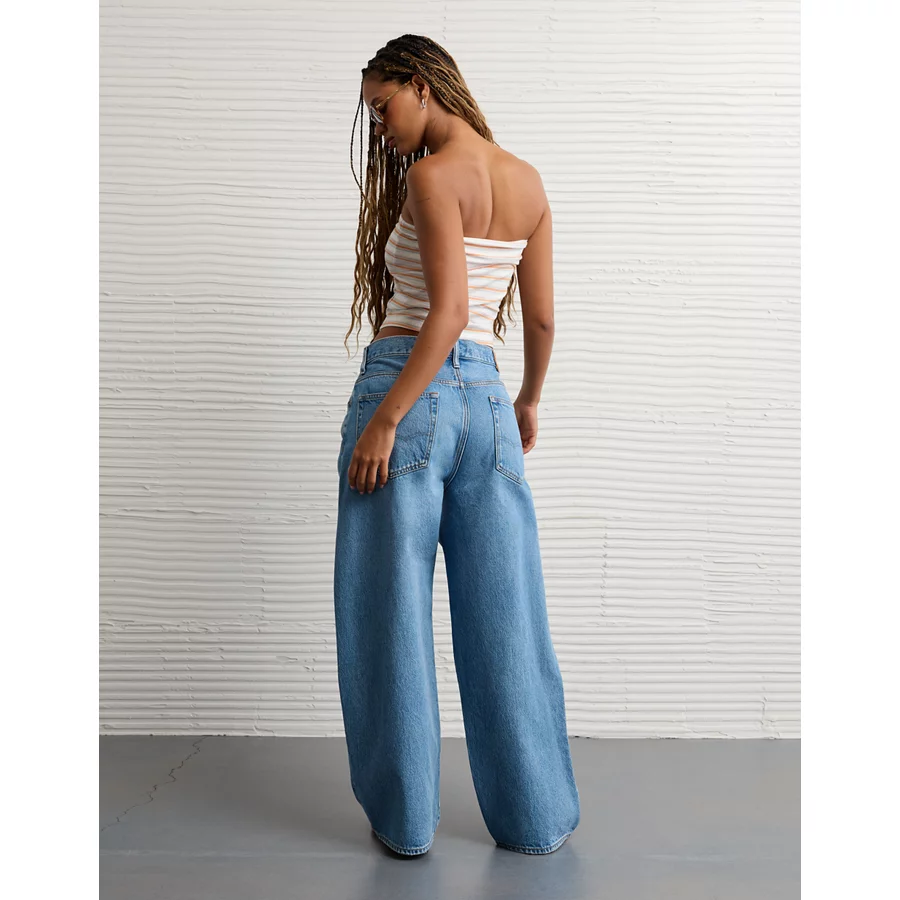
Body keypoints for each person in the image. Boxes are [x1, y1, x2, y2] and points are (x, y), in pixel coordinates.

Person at [334, 34, 581, 857]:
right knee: (507, 619)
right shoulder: (528, 182)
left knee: (388, 613)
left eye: (383, 107)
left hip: (408, 393)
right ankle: (535, 818)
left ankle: (406, 823)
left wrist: (385, 419)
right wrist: (528, 399)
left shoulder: (434, 177)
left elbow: (445, 313)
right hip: (490, 406)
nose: (381, 128)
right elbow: (541, 318)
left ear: (422, 85)